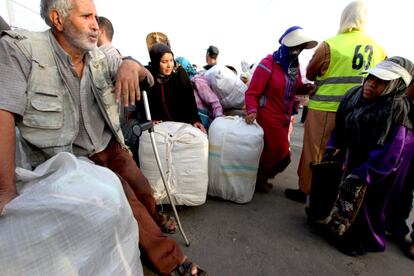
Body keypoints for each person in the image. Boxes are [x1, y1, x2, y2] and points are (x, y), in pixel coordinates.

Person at [0, 0, 206, 275]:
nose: (96, 24)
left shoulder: (102, 56)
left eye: (96, 16)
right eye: (86, 16)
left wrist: (132, 66)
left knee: (143, 189)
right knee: (125, 197)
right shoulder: (21, 50)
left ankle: (153, 221)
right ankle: (170, 259)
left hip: (109, 146)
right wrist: (6, 191)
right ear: (57, 19)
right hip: (72, 160)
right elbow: (4, 112)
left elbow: (147, 78)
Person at [288, 0, 387, 203]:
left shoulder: (331, 44)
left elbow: (311, 72)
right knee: (345, 155)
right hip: (360, 112)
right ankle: (334, 195)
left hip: (325, 107)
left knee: (314, 152)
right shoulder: (379, 49)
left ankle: (306, 190)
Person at [323, 57, 414, 256]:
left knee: (369, 203)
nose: (371, 84)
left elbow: (390, 154)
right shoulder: (354, 96)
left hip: (379, 164)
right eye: (371, 77)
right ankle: (341, 229)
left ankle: (365, 240)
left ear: (394, 85)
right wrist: (333, 147)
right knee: (346, 197)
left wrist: (363, 174)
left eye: (380, 81)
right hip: (357, 154)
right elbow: (341, 126)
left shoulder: (396, 109)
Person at [245, 26, 317, 192]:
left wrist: (305, 88)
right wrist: (251, 110)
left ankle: (259, 178)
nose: (298, 51)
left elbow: (295, 87)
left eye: (300, 48)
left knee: (269, 152)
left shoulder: (294, 66)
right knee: (283, 155)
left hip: (284, 117)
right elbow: (252, 92)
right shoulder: (268, 64)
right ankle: (260, 177)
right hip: (268, 116)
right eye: (296, 47)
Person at [141, 43, 206, 133]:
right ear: (155, 62)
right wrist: (150, 120)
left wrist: (196, 120)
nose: (169, 65)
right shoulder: (148, 77)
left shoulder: (179, 73)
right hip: (160, 128)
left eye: (171, 60)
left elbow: (190, 99)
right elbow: (142, 103)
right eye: (164, 62)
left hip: (183, 125)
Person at [176, 56, 223, 129]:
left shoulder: (197, 81)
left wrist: (219, 118)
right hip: (190, 126)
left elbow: (213, 101)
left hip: (206, 125)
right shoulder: (177, 84)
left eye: (178, 68)